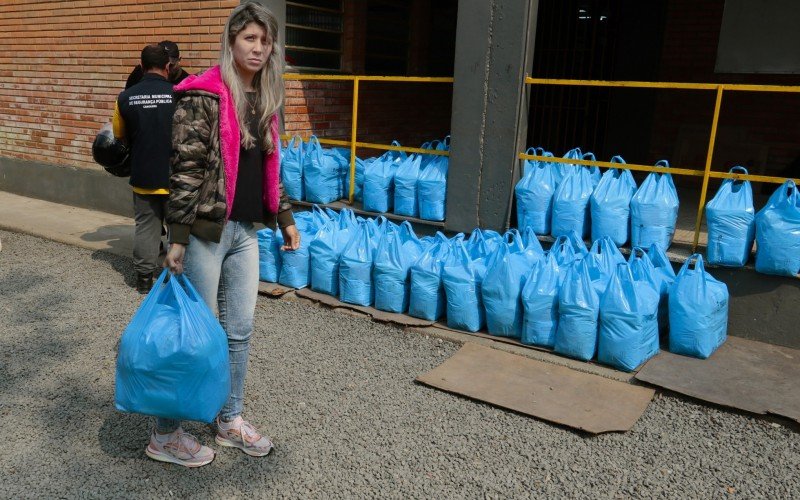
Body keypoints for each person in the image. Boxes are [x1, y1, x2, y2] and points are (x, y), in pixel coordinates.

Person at [152, 3, 300, 468]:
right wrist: (177, 236)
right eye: (249, 39)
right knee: (195, 335)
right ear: (232, 41)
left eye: (265, 40)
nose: (258, 48)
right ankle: (166, 434)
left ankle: (229, 418)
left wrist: (286, 217)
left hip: (247, 231)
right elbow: (186, 168)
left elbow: (271, 168)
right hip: (206, 233)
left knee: (239, 330)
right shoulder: (206, 95)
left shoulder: (268, 97)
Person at [113, 44, 176, 293]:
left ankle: (144, 280)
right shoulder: (179, 93)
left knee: (146, 228)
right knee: (179, 227)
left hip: (143, 174)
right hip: (176, 177)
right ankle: (176, 277)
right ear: (168, 66)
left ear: (141, 66)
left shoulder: (125, 97)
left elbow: (119, 134)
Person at [125, 40, 189, 89]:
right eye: (161, 64)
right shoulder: (141, 71)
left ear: (179, 60)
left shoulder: (187, 80)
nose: (166, 68)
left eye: (171, 65)